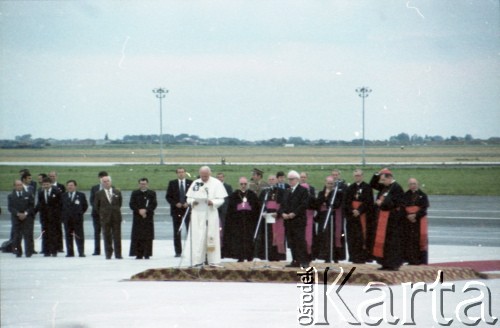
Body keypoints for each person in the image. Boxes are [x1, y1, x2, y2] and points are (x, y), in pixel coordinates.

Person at [185, 166, 228, 267]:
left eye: (206, 176)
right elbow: (189, 198)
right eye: (202, 176)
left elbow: (221, 199)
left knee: (211, 236)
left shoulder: (216, 183)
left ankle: (212, 260)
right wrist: (192, 202)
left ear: (210, 174)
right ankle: (197, 260)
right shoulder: (196, 183)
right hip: (197, 214)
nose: (204, 178)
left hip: (210, 213)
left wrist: (212, 202)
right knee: (197, 237)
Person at [370, 168, 405, 271]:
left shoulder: (396, 188)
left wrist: (382, 204)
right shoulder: (385, 187)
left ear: (389, 178)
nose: (382, 182)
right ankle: (384, 263)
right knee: (383, 243)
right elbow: (373, 184)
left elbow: (395, 203)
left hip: (392, 220)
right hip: (383, 219)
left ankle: (393, 264)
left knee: (391, 243)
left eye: (384, 180)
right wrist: (378, 173)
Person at [223, 177, 260, 262]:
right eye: (241, 184)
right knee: (239, 240)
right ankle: (240, 256)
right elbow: (230, 210)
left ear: (247, 184)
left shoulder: (252, 194)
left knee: (249, 239)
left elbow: (257, 208)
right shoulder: (234, 195)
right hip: (238, 222)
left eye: (245, 184)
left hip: (249, 222)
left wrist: (250, 208)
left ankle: (250, 256)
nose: (243, 186)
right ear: (238, 184)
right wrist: (238, 208)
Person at [278, 170, 310, 268]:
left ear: (297, 179)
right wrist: (282, 213)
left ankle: (304, 261)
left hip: (298, 221)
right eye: (289, 179)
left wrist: (294, 213)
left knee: (300, 241)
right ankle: (295, 260)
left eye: (292, 179)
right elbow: (282, 204)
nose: (290, 181)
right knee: (291, 242)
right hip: (288, 221)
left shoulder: (303, 190)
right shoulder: (287, 191)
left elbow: (304, 204)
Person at [343, 169, 375, 264]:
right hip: (352, 217)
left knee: (362, 237)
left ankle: (363, 256)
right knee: (352, 237)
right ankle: (353, 256)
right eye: (356, 175)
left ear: (362, 176)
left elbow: (368, 202)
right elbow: (346, 202)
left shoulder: (367, 187)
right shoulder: (350, 188)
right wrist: (352, 210)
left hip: (363, 216)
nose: (357, 177)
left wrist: (359, 210)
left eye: (359, 175)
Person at [314, 176, 346, 263]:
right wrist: (325, 199)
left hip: (333, 217)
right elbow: (318, 203)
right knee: (324, 237)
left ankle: (335, 257)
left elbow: (336, 204)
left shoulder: (337, 193)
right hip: (323, 218)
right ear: (325, 183)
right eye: (328, 183)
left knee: (334, 237)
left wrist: (326, 200)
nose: (330, 185)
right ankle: (325, 257)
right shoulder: (321, 193)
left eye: (331, 183)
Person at [94, 175, 123, 260]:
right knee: (107, 236)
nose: (106, 183)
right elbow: (96, 206)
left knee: (117, 236)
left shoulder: (117, 192)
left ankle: (118, 254)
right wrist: (103, 214)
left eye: (108, 181)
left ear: (111, 182)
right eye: (104, 181)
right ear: (101, 183)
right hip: (105, 218)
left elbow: (119, 203)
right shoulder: (99, 194)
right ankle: (108, 253)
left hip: (116, 217)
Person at [258, 175, 286, 261]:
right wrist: (263, 212)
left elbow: (284, 204)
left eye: (273, 179)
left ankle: (278, 256)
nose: (271, 181)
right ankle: (268, 255)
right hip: (268, 217)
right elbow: (260, 204)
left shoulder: (282, 191)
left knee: (277, 236)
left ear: (276, 180)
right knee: (269, 236)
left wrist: (278, 213)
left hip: (278, 218)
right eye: (269, 179)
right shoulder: (265, 192)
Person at [166, 167, 192, 257]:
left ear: (185, 173)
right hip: (176, 210)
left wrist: (188, 203)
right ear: (177, 174)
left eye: (182, 172)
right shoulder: (172, 183)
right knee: (177, 232)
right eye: (179, 172)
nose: (181, 174)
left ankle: (191, 250)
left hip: (187, 210)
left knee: (190, 231)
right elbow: (168, 197)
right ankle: (178, 251)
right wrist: (175, 203)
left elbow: (194, 195)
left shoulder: (190, 183)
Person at [402, 178, 429, 265]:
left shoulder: (423, 195)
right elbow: (402, 207)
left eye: (414, 184)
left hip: (419, 221)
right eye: (411, 184)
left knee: (419, 240)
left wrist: (415, 215)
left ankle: (420, 260)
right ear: (408, 185)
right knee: (409, 240)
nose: (413, 186)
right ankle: (410, 259)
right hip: (408, 221)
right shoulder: (405, 195)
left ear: (418, 184)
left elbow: (424, 209)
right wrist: (408, 215)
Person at [129, 178, 158, 259]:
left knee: (147, 236)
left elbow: (154, 204)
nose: (143, 185)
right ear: (139, 184)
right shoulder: (135, 193)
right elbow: (132, 204)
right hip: (138, 218)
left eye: (144, 184)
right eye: (141, 184)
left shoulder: (152, 193)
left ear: (147, 184)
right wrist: (139, 210)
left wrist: (146, 210)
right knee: (138, 235)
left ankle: (147, 253)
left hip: (148, 217)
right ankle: (138, 254)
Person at [35, 177, 63, 257]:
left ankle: (54, 251)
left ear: (50, 184)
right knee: (45, 234)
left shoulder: (56, 192)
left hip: (54, 217)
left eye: (47, 184)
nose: (46, 186)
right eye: (44, 185)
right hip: (44, 217)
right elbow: (40, 204)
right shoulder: (40, 193)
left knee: (53, 234)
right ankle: (46, 251)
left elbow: (60, 204)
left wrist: (58, 215)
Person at [61, 180, 88, 257]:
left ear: (75, 186)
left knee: (79, 236)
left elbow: (85, 206)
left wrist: (79, 213)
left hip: (77, 220)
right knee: (68, 236)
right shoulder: (63, 195)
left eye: (71, 185)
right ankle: (70, 252)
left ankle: (81, 252)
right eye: (68, 185)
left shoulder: (81, 195)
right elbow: (60, 207)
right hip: (67, 220)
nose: (69, 187)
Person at [8, 180, 35, 257]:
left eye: (20, 185)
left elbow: (31, 206)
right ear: (14, 186)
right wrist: (18, 214)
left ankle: (29, 252)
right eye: (17, 185)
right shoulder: (10, 196)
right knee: (17, 236)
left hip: (27, 218)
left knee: (28, 235)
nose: (19, 186)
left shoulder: (28, 194)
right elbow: (10, 207)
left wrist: (25, 213)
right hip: (16, 218)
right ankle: (18, 252)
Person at [89, 171, 108, 255]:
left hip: (107, 214)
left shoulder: (111, 188)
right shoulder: (94, 188)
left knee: (107, 232)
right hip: (96, 214)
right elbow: (92, 200)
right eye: (101, 177)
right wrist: (98, 209)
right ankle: (97, 250)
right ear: (99, 178)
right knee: (97, 232)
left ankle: (108, 249)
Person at [300, 171, 316, 260]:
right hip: (299, 216)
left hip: (309, 215)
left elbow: (313, 203)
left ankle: (309, 254)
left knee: (309, 237)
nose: (302, 178)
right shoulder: (296, 189)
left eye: (304, 177)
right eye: (301, 177)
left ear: (306, 178)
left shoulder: (311, 189)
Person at [48, 170, 65, 252]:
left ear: (56, 177)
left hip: (58, 212)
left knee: (58, 229)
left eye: (53, 176)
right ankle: (50, 246)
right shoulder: (46, 186)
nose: (52, 178)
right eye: (50, 176)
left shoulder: (61, 187)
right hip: (48, 213)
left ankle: (59, 246)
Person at [216, 172, 233, 245]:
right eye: (218, 177)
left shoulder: (228, 187)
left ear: (223, 178)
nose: (219, 178)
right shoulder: (214, 186)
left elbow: (230, 198)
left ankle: (224, 243)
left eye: (221, 177)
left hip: (224, 209)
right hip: (216, 209)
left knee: (224, 225)